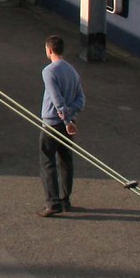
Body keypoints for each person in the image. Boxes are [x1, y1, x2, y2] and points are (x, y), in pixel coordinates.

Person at [38, 34, 84, 217]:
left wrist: (65, 120)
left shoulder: (48, 71)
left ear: (49, 50)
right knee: (66, 160)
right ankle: (65, 200)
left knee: (47, 161)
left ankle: (52, 202)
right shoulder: (72, 71)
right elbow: (81, 99)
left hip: (52, 123)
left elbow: (56, 100)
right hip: (69, 122)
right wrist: (71, 117)